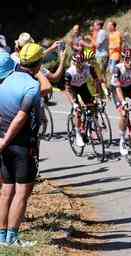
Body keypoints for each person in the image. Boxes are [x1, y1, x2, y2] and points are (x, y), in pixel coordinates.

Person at [0, 44, 42, 247]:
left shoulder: (6, 81)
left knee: (6, 191)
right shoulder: (32, 86)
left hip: (4, 143)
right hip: (21, 144)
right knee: (21, 194)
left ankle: (1, 238)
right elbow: (21, 116)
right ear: (38, 63)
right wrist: (8, 140)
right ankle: (12, 237)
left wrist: (2, 141)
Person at [64, 52, 102, 147]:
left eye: (81, 63)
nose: (80, 65)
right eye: (77, 63)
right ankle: (78, 134)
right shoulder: (70, 72)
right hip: (73, 89)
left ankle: (90, 128)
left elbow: (97, 81)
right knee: (78, 111)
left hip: (83, 87)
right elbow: (67, 90)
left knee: (92, 106)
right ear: (74, 63)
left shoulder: (89, 68)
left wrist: (97, 95)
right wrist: (74, 103)